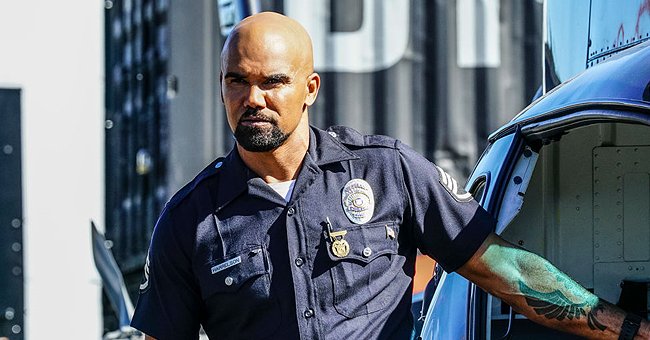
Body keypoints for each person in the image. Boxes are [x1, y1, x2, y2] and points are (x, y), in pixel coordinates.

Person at [130, 11, 649, 340]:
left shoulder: (386, 172)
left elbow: (505, 271)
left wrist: (629, 330)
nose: (253, 99)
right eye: (236, 82)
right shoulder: (189, 221)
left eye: (273, 82)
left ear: (310, 88)